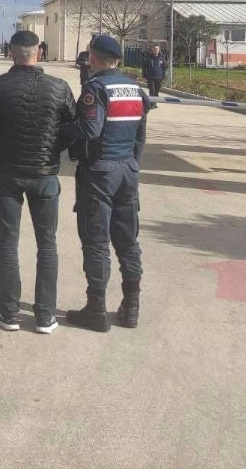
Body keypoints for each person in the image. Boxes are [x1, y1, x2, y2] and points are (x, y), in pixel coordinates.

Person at [0, 30, 76, 334]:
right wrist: (52, 150)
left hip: (8, 173)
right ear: (40, 52)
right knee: (47, 243)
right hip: (45, 175)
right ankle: (45, 316)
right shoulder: (59, 87)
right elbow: (71, 129)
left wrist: (3, 144)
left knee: (8, 242)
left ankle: (9, 313)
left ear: (11, 53)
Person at [60, 34, 151, 333]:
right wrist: (133, 163)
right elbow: (141, 135)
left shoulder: (96, 88)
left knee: (96, 241)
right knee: (127, 240)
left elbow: (90, 128)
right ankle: (131, 307)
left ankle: (95, 309)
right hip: (127, 171)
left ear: (93, 57)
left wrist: (63, 129)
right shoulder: (135, 88)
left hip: (100, 173)